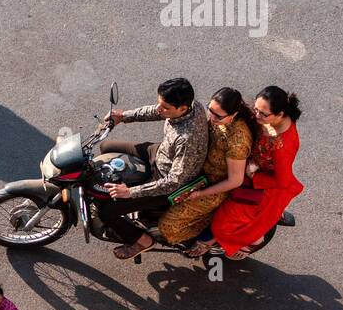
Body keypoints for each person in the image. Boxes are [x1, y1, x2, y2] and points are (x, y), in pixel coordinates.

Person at [96, 77, 208, 260]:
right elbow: (157, 112)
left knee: (107, 212)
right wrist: (123, 117)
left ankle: (143, 241)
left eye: (165, 108)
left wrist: (130, 192)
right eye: (160, 104)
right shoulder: (190, 106)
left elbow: (173, 182)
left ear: (182, 109)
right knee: (107, 147)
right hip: (159, 153)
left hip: (165, 183)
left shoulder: (188, 139)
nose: (159, 110)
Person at [192, 86, 303, 260]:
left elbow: (283, 181)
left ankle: (252, 240)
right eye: (256, 109)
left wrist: (254, 176)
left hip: (263, 184)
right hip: (247, 164)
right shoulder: (266, 119)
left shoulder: (283, 145)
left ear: (280, 115)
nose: (256, 116)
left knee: (223, 223)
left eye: (263, 114)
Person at [154, 87, 255, 250]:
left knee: (167, 226)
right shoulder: (217, 118)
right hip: (198, 170)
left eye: (218, 116)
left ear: (234, 115)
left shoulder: (238, 141)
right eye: (210, 110)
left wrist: (200, 194)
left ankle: (209, 236)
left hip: (213, 187)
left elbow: (235, 180)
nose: (212, 117)